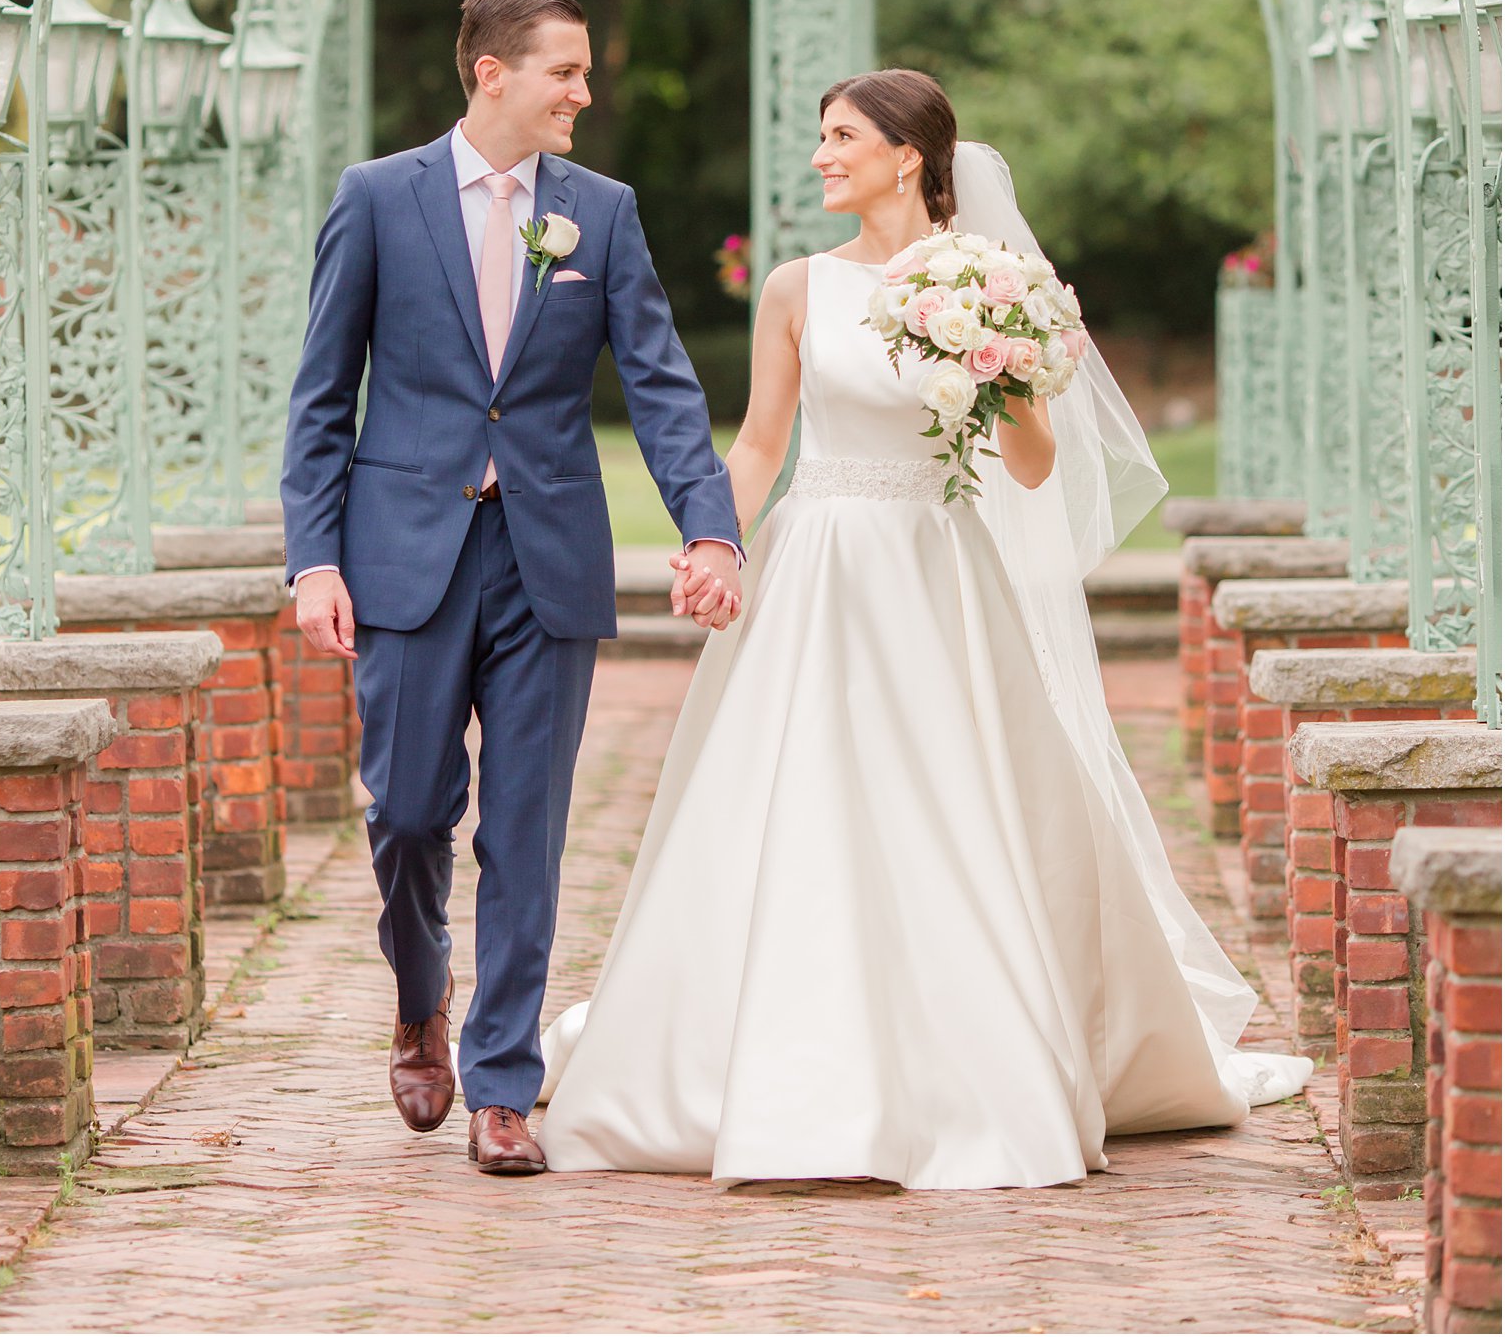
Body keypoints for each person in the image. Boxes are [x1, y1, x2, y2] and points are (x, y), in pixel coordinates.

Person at [537, 67, 1311, 1190]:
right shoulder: (798, 288)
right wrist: (716, 540)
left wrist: (1000, 363)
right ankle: (771, 1061)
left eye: (840, 136)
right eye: (820, 137)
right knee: (794, 800)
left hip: (937, 568)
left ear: (906, 155)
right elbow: (759, 443)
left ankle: (970, 1063)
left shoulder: (990, 282)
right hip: (819, 564)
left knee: (950, 800)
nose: (819, 157)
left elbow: (1034, 468)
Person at [279, 0, 743, 1177]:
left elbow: (661, 382)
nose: (584, 93)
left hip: (548, 559)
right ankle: (417, 999)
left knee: (528, 829)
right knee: (407, 814)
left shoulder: (604, 212)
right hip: (403, 560)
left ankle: (501, 1087)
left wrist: (710, 530)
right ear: (491, 72)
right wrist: (316, 560)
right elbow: (322, 399)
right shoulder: (377, 200)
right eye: (565, 72)